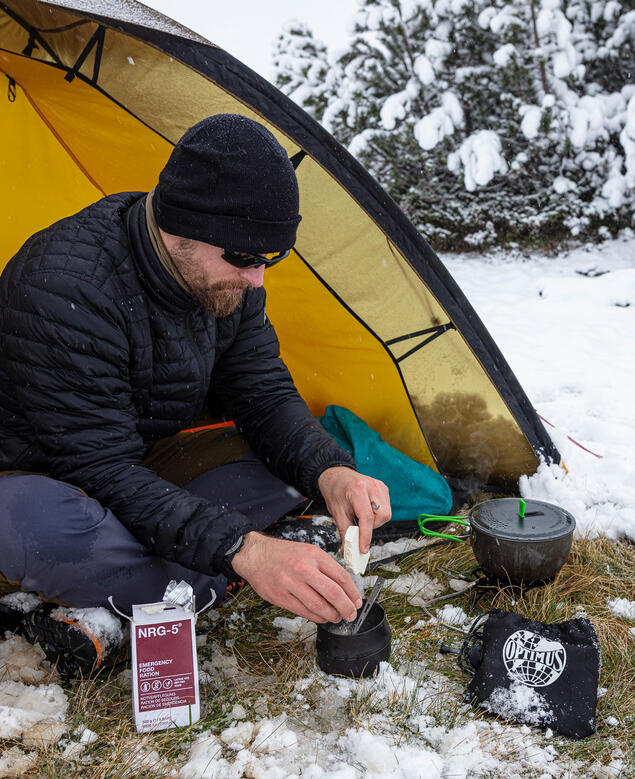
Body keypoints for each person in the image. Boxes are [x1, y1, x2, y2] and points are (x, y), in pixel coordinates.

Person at [0, 114, 392, 660]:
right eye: (243, 258)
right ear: (180, 228)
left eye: (270, 259)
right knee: (41, 525)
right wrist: (244, 550)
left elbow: (263, 394)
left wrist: (332, 469)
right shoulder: (65, 286)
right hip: (42, 479)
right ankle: (187, 579)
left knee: (288, 472)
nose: (257, 279)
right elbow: (100, 468)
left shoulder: (229, 277)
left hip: (136, 461)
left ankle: (136, 587)